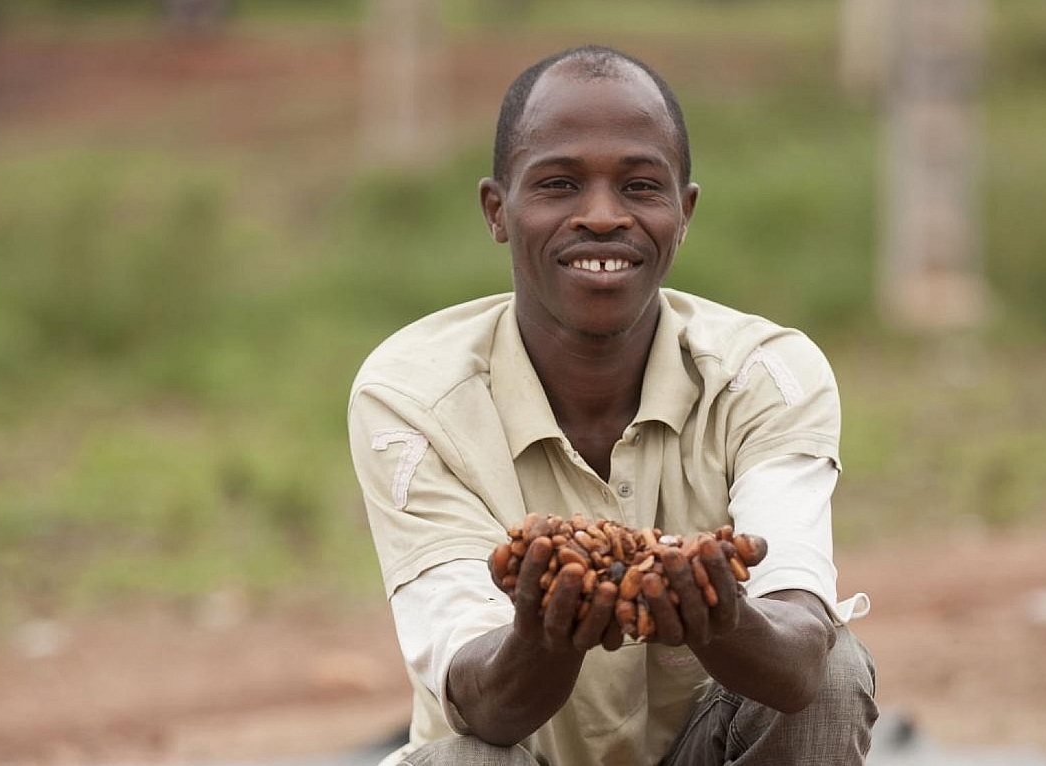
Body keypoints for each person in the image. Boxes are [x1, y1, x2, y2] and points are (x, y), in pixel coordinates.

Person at [348, 45, 877, 766]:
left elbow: (800, 657)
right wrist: (543, 638)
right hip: (524, 756)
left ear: (683, 214)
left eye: (640, 186)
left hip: (704, 749)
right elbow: (477, 700)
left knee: (836, 677)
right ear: (497, 211)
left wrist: (716, 620)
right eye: (559, 184)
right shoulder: (414, 394)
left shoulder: (764, 375)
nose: (601, 217)